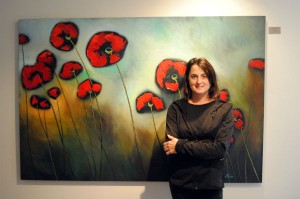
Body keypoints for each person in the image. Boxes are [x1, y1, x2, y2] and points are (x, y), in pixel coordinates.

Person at [163, 57, 234, 199]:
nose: (199, 81)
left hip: (211, 186)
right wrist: (207, 146)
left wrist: (181, 145)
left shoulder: (224, 109)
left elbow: (220, 149)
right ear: (188, 80)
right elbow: (170, 147)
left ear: (211, 79)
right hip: (180, 185)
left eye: (204, 76)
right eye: (194, 76)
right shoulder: (176, 109)